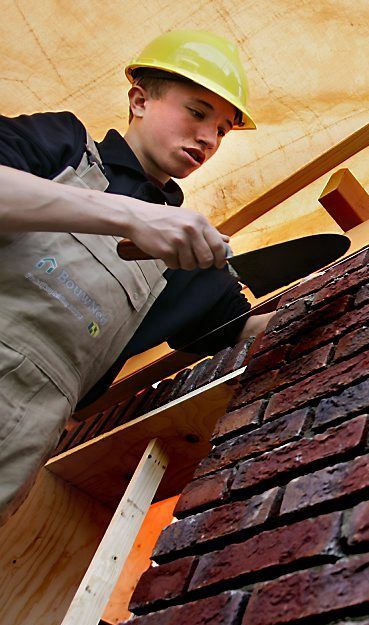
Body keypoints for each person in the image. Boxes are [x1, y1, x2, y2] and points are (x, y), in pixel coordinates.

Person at [0, 30, 272, 524]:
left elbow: (238, 331)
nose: (209, 138)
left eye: (223, 130)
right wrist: (128, 215)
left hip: (16, 446)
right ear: (140, 100)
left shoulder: (187, 255)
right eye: (196, 112)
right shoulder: (62, 145)